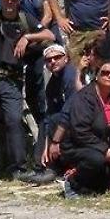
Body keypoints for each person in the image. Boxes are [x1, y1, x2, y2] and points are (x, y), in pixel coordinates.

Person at [0, 0, 54, 183]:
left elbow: (49, 36)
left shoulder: (24, 18)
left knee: (14, 122)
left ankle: (18, 168)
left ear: (17, 0)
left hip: (12, 80)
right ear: (0, 0)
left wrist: (27, 37)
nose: (10, 2)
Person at [53, 60, 110, 197]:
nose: (109, 76)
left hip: (103, 142)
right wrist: (104, 149)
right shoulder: (84, 97)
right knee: (97, 159)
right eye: (105, 73)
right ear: (96, 76)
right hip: (78, 145)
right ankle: (72, 182)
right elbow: (80, 131)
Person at [27, 43, 78, 185]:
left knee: (57, 118)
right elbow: (50, 113)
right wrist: (46, 146)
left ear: (66, 58)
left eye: (57, 57)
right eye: (49, 60)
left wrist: (55, 141)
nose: (53, 61)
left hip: (77, 120)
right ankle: (42, 165)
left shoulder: (71, 75)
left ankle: (54, 167)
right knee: (47, 119)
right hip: (61, 121)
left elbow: (70, 109)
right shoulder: (51, 84)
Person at [17, 0, 55, 126]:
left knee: (43, 80)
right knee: (30, 83)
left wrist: (35, 33)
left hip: (42, 39)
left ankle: (47, 118)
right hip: (27, 44)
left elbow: (48, 14)